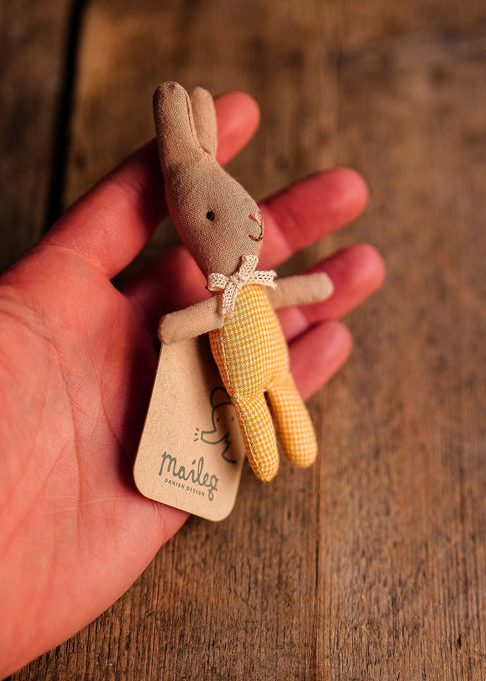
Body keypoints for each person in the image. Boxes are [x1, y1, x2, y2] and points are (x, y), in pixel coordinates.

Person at [0, 91, 384, 676]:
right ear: (194, 229)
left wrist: (313, 288)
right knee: (251, 409)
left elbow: (287, 291)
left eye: (238, 206)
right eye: (211, 217)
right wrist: (175, 326)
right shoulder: (222, 297)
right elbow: (178, 325)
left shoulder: (251, 283)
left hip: (274, 362)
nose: (245, 219)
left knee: (282, 389)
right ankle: (268, 451)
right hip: (243, 383)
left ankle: (293, 440)